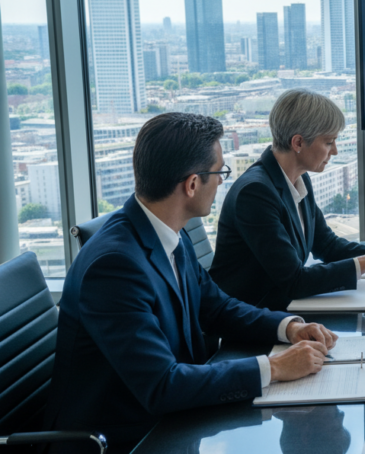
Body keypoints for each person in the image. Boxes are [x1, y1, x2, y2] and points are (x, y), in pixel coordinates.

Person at [46, 113, 338, 452]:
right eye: (219, 173)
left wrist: (289, 328)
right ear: (192, 184)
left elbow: (216, 306)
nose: (222, 183)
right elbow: (161, 384)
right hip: (126, 439)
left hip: (174, 423)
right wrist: (273, 368)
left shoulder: (167, 231)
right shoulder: (114, 267)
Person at [210, 89, 365, 311]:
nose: (335, 151)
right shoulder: (255, 193)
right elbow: (295, 281)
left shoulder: (299, 178)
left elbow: (327, 245)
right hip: (248, 320)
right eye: (329, 142)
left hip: (279, 307)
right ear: (298, 143)